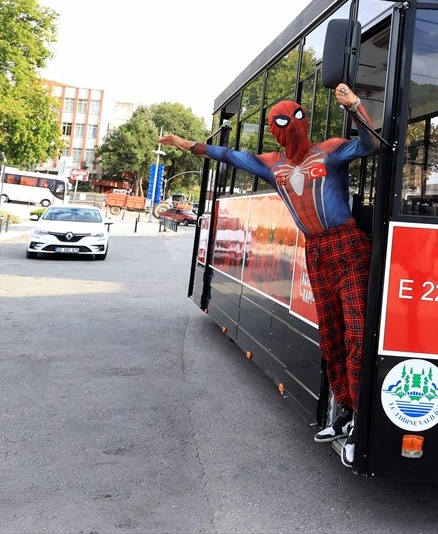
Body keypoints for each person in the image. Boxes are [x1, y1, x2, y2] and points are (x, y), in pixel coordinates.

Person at [158, 83, 376, 469]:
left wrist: (357, 106)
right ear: (275, 130)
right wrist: (186, 144)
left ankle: (361, 418)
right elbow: (228, 154)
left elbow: (370, 144)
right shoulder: (271, 163)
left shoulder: (329, 150)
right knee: (331, 334)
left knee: (357, 332)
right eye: (281, 121)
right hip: (317, 250)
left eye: (294, 118)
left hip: (347, 245)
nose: (289, 126)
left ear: (303, 122)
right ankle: (344, 409)